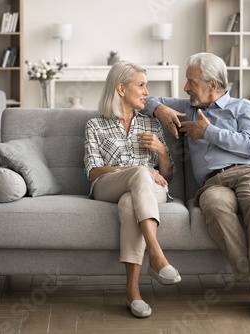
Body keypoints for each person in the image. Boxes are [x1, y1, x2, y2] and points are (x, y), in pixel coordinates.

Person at [143, 52, 250, 323]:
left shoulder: (243, 107)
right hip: (212, 183)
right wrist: (159, 108)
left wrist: (207, 132)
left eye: (191, 81)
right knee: (214, 206)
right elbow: (143, 99)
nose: (186, 87)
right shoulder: (186, 106)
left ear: (212, 84)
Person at [84, 60, 181, 319]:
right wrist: (134, 170)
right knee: (138, 173)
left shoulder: (151, 124)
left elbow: (168, 176)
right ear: (121, 89)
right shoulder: (95, 125)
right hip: (107, 187)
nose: (146, 93)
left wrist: (161, 151)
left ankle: (132, 292)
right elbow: (93, 172)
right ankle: (156, 254)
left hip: (149, 190)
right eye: (141, 85)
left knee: (129, 203)